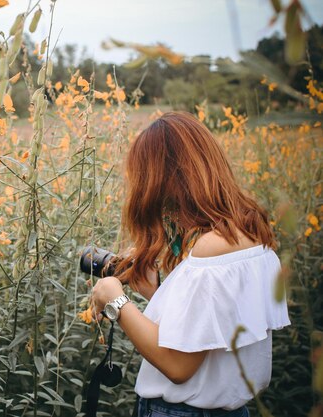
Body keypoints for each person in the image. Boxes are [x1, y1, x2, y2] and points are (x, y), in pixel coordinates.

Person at [89, 112, 290, 417]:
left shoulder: (211, 251)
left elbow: (178, 365)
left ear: (163, 181)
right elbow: (208, 337)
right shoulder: (250, 233)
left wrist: (114, 298)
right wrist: (156, 295)